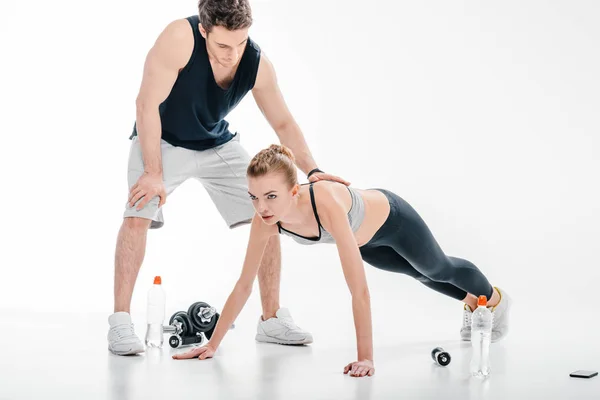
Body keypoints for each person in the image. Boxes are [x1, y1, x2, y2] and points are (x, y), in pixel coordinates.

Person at [107, 0, 350, 356]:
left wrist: (312, 170)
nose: (232, 54)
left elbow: (283, 123)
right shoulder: (179, 38)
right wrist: (154, 173)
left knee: (270, 214)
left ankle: (271, 320)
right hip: (160, 139)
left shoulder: (256, 63)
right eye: (222, 46)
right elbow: (146, 105)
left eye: (240, 43)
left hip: (215, 143)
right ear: (204, 30)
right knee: (138, 211)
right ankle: (120, 322)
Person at [172, 144, 512, 378]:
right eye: (255, 197)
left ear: (294, 191)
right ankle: (473, 303)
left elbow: (359, 290)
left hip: (394, 221)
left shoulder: (325, 203)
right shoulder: (265, 219)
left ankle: (495, 300)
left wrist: (366, 357)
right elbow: (244, 283)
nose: (262, 207)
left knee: (436, 268)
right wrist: (212, 344)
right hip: (367, 242)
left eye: (271, 196)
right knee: (419, 276)